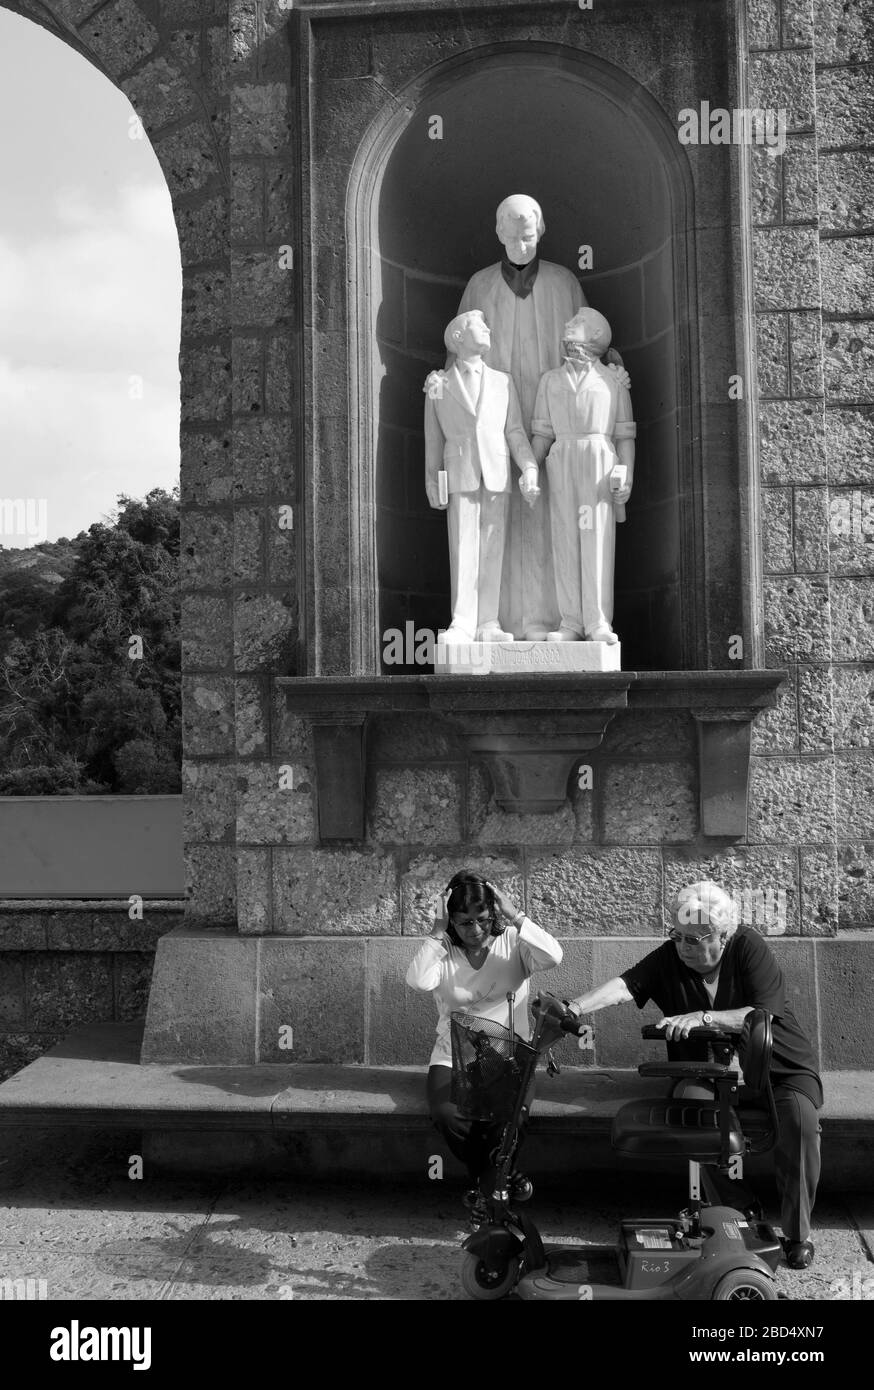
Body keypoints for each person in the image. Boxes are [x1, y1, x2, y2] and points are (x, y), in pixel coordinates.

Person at [566, 881, 822, 1270]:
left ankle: (798, 1234)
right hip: (707, 1073)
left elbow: (761, 1014)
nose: (683, 946)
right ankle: (740, 1210)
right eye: (678, 936)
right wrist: (575, 1007)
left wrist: (703, 1017)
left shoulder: (748, 947)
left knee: (801, 1125)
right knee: (692, 1110)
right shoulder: (672, 957)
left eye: (694, 938)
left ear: (723, 935)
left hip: (778, 1069)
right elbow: (625, 985)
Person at [405, 872, 562, 1220]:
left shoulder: (513, 943)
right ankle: (495, 1181)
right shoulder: (443, 951)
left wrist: (516, 915)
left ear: (493, 915)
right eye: (463, 923)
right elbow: (417, 980)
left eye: (481, 920)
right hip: (453, 1056)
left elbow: (554, 956)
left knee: (508, 1120)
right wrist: (436, 932)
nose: (474, 930)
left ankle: (486, 1193)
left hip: (510, 1055)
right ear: (451, 920)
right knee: (448, 1115)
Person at [424, 310, 539, 642]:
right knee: (462, 545)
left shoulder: (503, 381)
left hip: (496, 470)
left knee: (492, 546)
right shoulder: (439, 384)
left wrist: (529, 466)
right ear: (458, 336)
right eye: (479, 324)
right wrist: (432, 478)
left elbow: (515, 431)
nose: (488, 328)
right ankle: (462, 621)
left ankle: (488, 621)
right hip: (459, 470)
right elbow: (434, 437)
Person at [531, 308, 635, 644]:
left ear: (595, 336)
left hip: (597, 463)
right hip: (562, 461)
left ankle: (597, 621)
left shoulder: (613, 381)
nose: (566, 325)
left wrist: (626, 472)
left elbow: (624, 435)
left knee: (595, 541)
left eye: (575, 323)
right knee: (565, 541)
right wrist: (531, 468)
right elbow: (543, 434)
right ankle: (571, 622)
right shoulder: (550, 380)